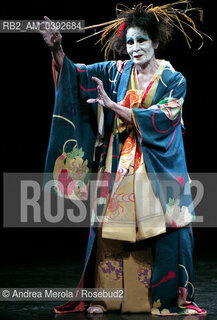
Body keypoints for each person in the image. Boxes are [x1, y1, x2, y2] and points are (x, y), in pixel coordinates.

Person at [40, 1, 209, 316]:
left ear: (155, 41)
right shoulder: (117, 72)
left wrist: (113, 106)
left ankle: (160, 300)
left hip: (157, 167)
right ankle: (106, 298)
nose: (135, 48)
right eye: (130, 41)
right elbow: (75, 77)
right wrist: (57, 51)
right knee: (109, 231)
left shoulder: (174, 79)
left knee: (161, 230)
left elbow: (161, 119)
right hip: (119, 165)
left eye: (142, 40)